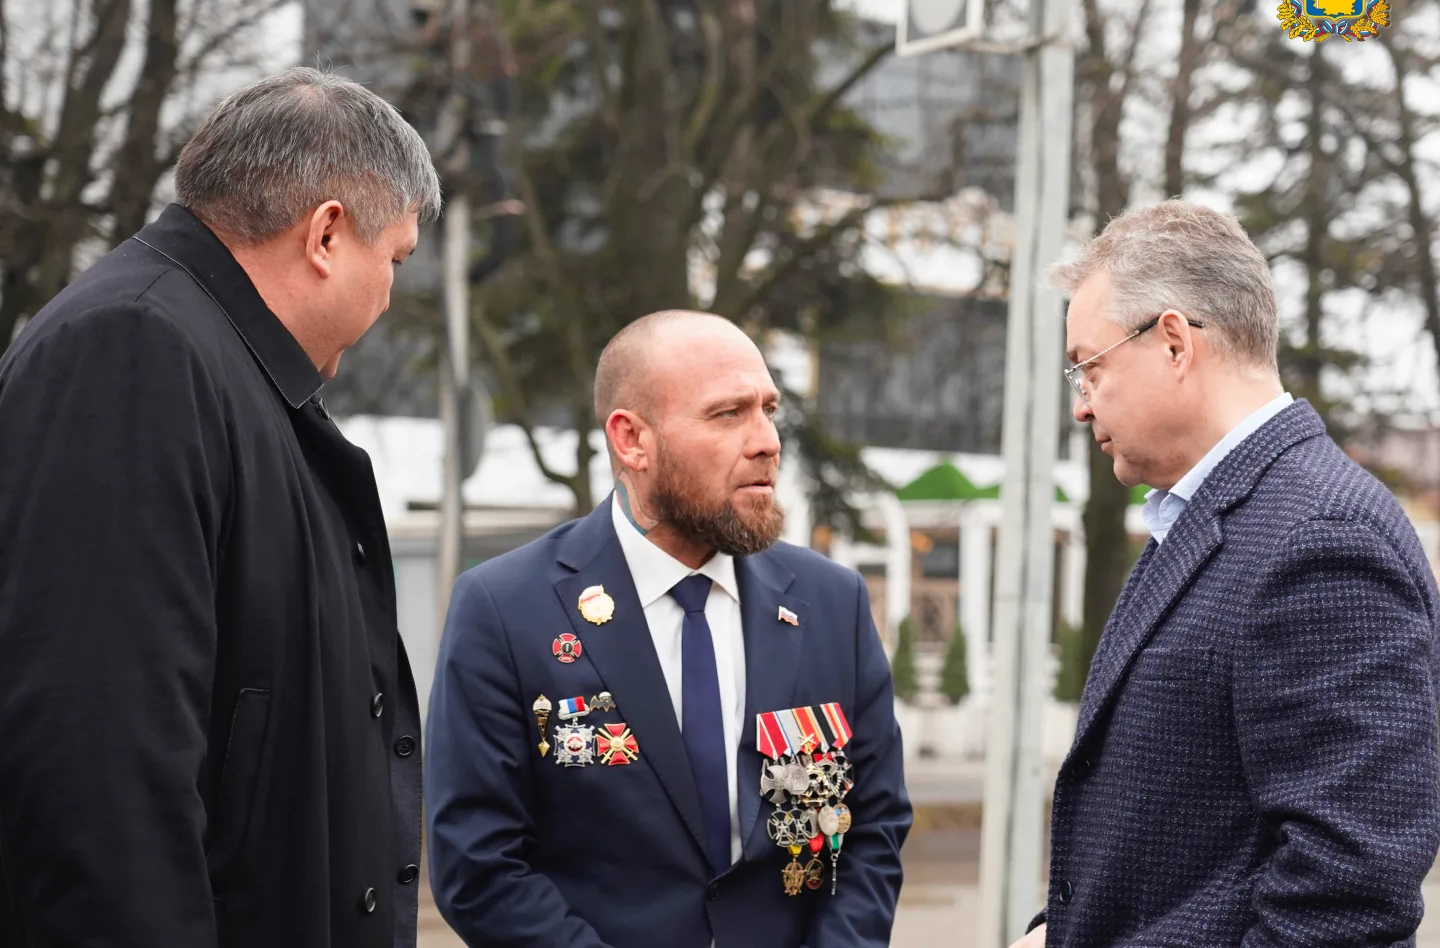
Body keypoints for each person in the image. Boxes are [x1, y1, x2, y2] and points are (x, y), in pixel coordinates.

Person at [0, 68, 440, 947]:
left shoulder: (216, 366)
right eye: (393, 259)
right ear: (325, 234)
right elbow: (98, 763)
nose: (390, 295)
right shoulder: (132, 347)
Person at [1013, 200, 1440, 948]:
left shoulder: (1321, 539)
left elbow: (1344, 903)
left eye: (1088, 368)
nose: (1082, 406)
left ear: (1174, 342)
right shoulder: (1220, 515)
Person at [426, 310, 911, 948]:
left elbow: (870, 829)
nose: (767, 441)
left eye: (769, 410)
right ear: (632, 440)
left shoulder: (830, 604)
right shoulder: (506, 609)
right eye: (728, 414)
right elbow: (479, 863)